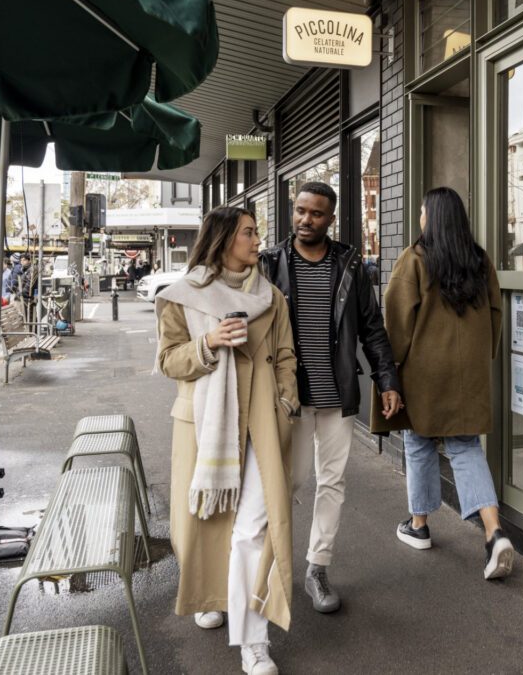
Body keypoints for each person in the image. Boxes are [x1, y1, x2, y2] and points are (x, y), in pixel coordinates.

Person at [156, 206, 299, 675]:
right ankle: (212, 594)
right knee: (203, 525)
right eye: (249, 233)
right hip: (204, 426)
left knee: (252, 529)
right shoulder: (183, 295)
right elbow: (169, 361)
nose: (258, 240)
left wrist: (286, 404)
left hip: (261, 423)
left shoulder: (271, 296)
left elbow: (285, 356)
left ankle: (252, 641)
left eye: (257, 232)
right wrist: (209, 343)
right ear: (222, 241)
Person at [259, 181, 402, 614]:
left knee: (333, 481)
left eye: (316, 214)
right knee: (292, 481)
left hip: (337, 392)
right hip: (291, 396)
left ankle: (317, 568)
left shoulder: (350, 265)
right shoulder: (271, 264)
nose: (305, 220)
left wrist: (388, 380)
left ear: (331, 218)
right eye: (300, 211)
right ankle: (262, 564)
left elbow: (372, 327)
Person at [372, 187, 513, 580]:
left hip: (424, 373)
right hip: (469, 373)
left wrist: (390, 369)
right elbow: (496, 313)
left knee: (418, 443)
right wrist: (483, 356)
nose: (419, 217)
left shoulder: (415, 259)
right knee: (466, 447)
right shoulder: (480, 261)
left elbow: (398, 321)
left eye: (421, 211)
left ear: (431, 216)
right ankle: (494, 531)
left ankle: (419, 526)